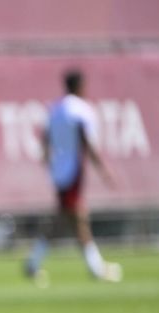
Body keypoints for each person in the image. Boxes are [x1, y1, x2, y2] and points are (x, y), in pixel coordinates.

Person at [25, 68, 121, 285]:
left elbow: (45, 141)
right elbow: (87, 143)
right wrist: (104, 170)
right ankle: (95, 269)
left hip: (59, 170)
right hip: (73, 170)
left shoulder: (55, 108)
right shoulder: (80, 110)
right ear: (79, 86)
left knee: (64, 221)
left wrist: (49, 163)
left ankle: (33, 262)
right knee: (77, 219)